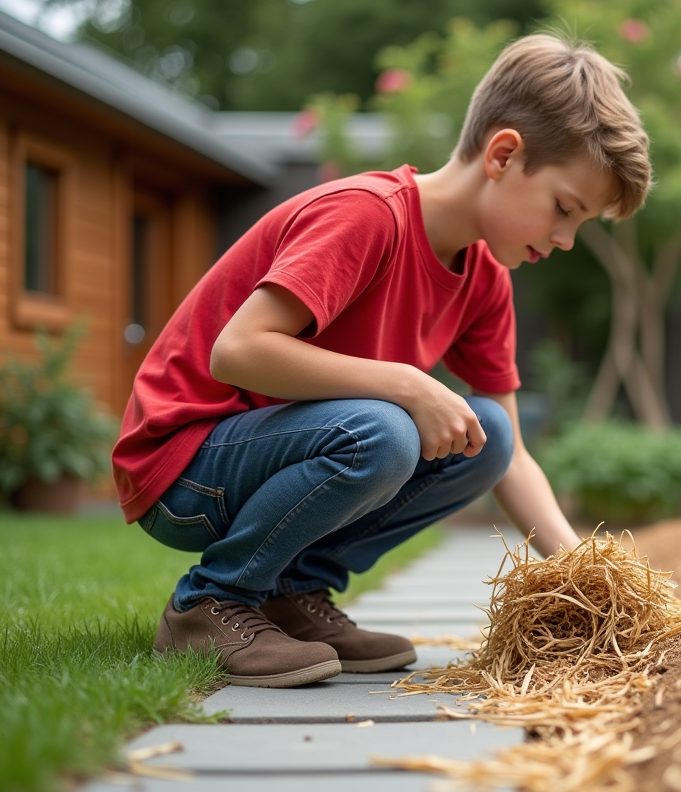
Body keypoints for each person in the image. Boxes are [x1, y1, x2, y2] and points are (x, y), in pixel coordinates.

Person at [111, 33, 653, 688]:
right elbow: (238, 351)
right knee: (387, 429)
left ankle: (292, 595)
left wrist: (587, 576)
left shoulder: (484, 279)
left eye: (581, 224)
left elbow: (507, 455)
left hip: (271, 459)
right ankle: (209, 602)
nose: (565, 239)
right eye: (564, 209)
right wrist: (404, 384)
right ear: (503, 155)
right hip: (184, 467)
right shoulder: (367, 218)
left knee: (489, 435)